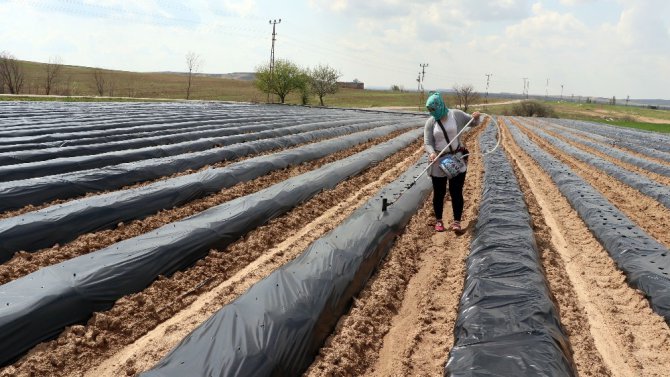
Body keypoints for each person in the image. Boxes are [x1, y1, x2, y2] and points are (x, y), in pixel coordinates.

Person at [423, 92, 480, 232]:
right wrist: (431, 153)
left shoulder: (456, 115)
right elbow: (428, 142)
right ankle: (439, 220)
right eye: (430, 110)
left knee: (456, 191)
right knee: (439, 192)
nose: (433, 112)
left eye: (434, 109)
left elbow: (472, 123)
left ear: (440, 105)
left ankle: (456, 221)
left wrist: (476, 117)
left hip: (456, 158)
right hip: (438, 161)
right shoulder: (431, 122)